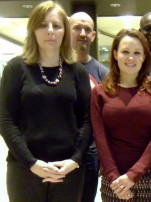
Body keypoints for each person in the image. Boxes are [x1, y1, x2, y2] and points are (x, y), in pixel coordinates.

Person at [0, 1, 92, 202]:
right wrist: (31, 163)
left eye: (56, 25)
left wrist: (74, 160)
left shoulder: (78, 72)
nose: (50, 31)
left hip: (68, 171)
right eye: (43, 25)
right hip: (25, 170)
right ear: (32, 29)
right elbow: (6, 121)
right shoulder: (15, 69)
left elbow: (87, 121)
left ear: (64, 32)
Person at [90, 28, 151, 201]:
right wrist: (113, 175)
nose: (131, 58)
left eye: (137, 53)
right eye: (125, 51)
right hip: (114, 178)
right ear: (115, 54)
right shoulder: (100, 92)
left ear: (144, 57)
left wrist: (134, 174)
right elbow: (100, 137)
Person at [69, 11, 108, 202]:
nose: (82, 33)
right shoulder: (55, 68)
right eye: (77, 28)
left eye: (87, 29)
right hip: (59, 153)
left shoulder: (104, 74)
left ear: (93, 36)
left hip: (90, 156)